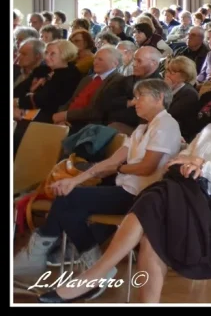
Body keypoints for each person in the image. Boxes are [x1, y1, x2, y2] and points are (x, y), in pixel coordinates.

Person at [39, 79, 211, 303]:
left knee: (154, 201)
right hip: (189, 193)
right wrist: (187, 163)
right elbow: (180, 158)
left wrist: (203, 165)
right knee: (152, 230)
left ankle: (95, 274)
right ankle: (107, 280)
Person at [14, 80, 182, 284]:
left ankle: (59, 257)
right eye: (135, 97)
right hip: (127, 188)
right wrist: (74, 181)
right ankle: (90, 262)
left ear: (160, 98)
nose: (133, 102)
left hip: (143, 196)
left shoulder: (166, 125)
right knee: (68, 198)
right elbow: (111, 161)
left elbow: (147, 167)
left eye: (140, 97)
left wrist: (118, 169)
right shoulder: (143, 128)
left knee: (68, 201)